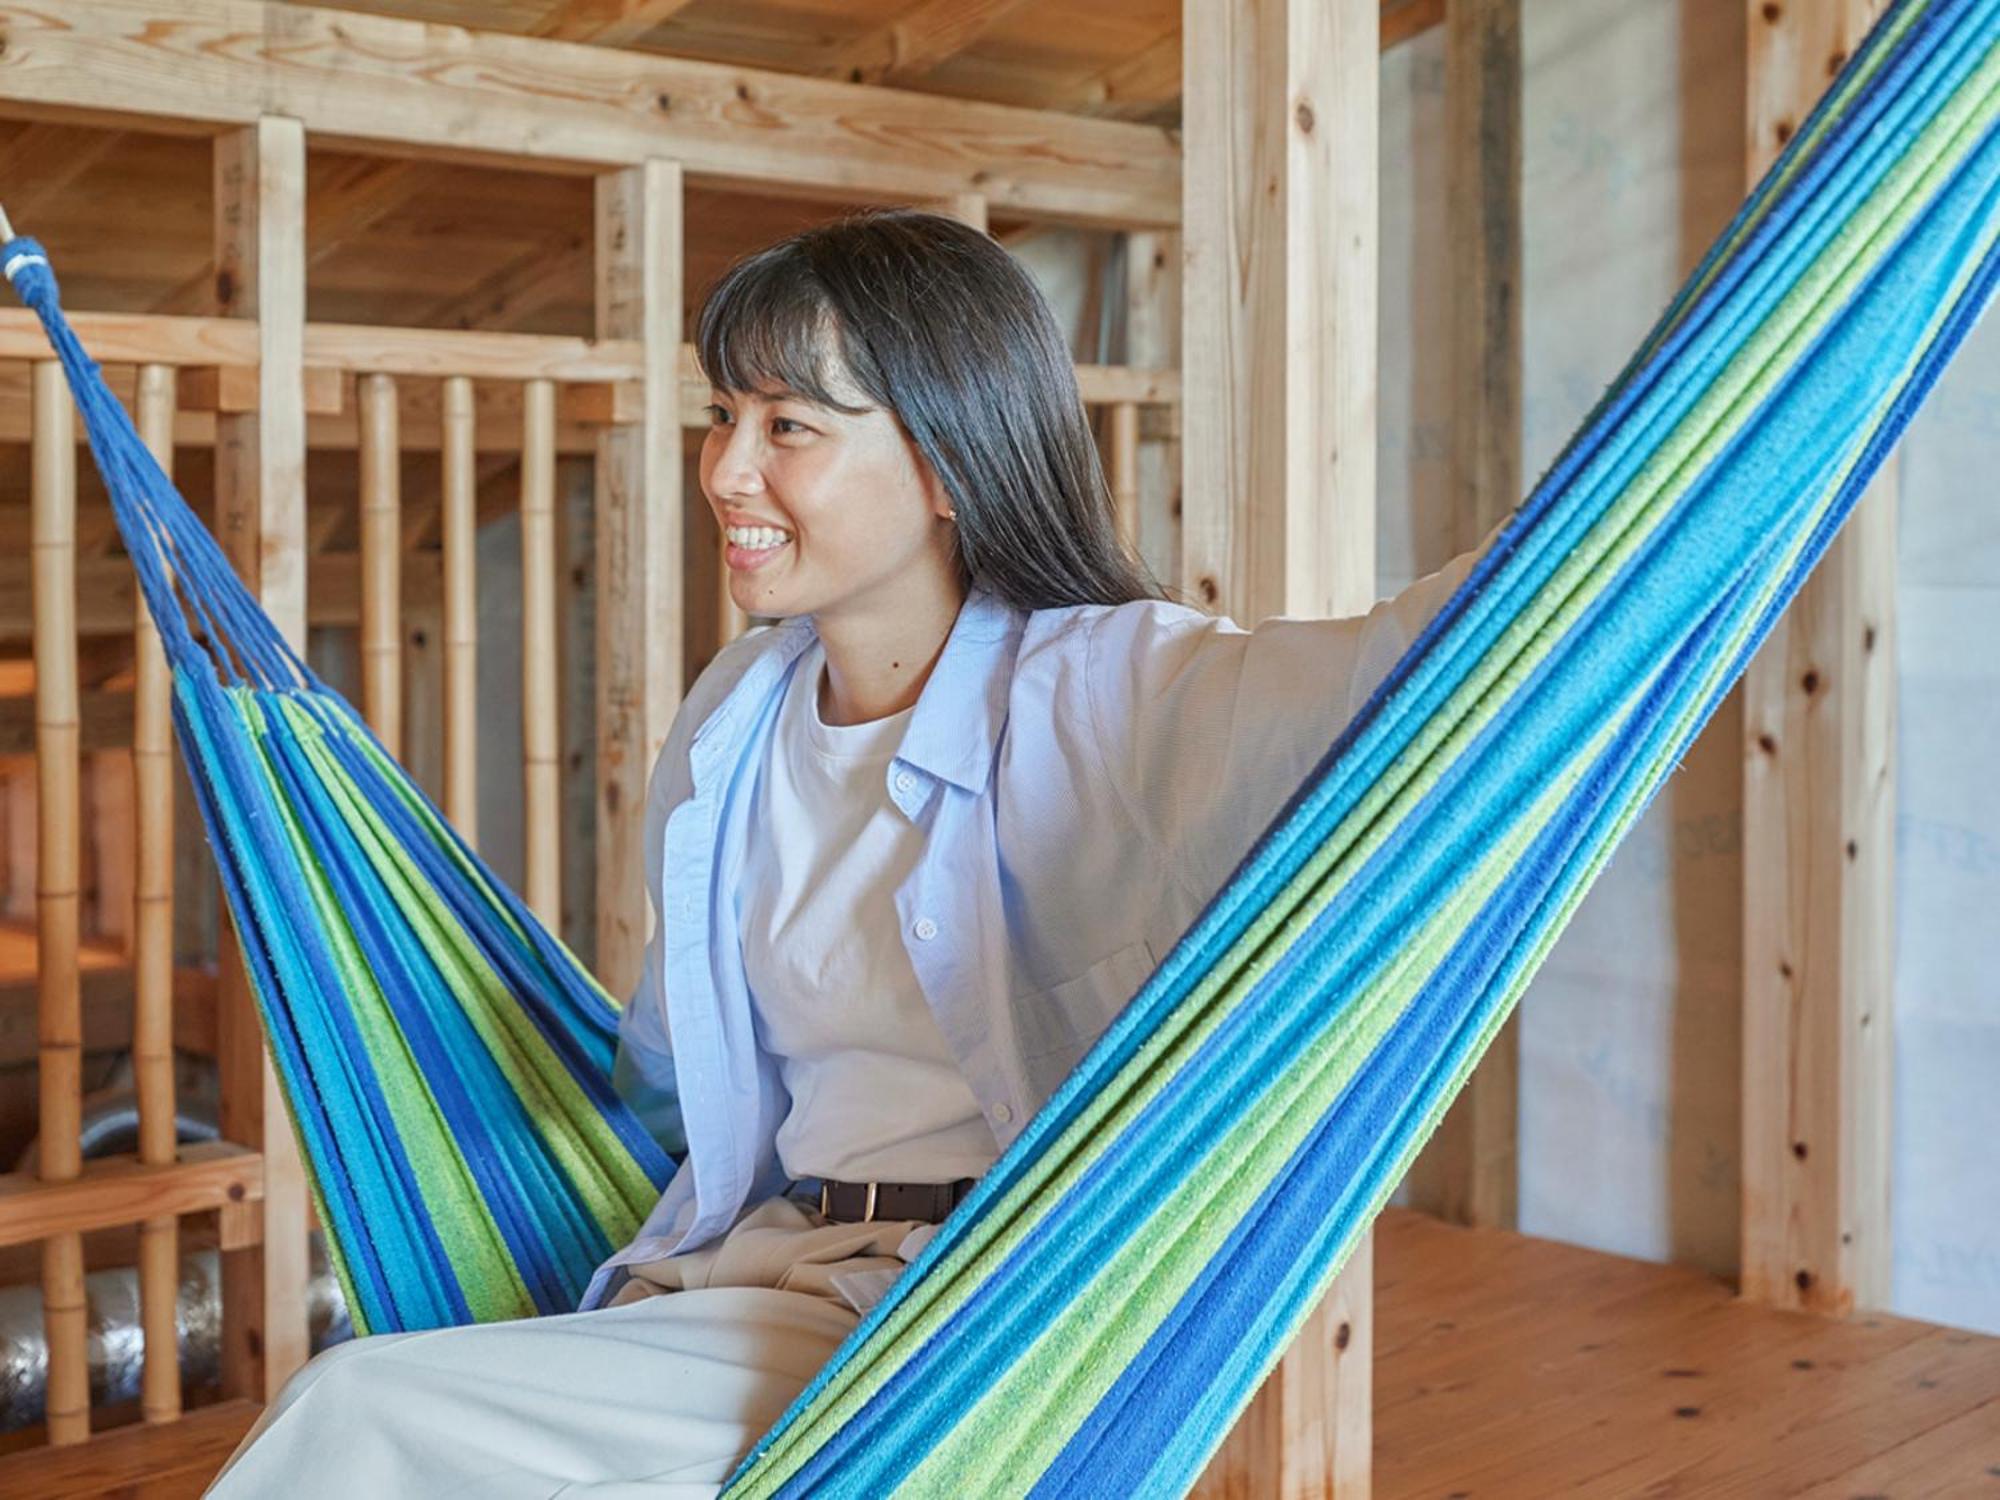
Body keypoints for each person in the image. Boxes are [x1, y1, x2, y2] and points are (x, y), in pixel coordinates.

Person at [208, 209, 1484, 1497]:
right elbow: (668, 1065)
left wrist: (1651, 513)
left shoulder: (1104, 687)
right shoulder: (737, 714)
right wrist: (462, 1110)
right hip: (757, 1267)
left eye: (790, 427)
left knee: (357, 1412)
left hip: (956, 1332)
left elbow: (1416, 672)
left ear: (948, 461)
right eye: (724, 416)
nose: (725, 470)